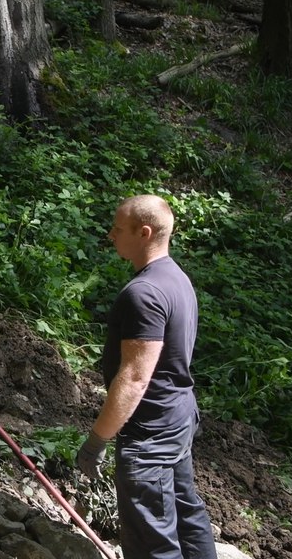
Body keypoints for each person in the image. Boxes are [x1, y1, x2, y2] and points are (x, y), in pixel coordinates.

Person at [77, 195, 217, 559]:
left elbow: (135, 378)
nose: (111, 235)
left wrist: (97, 440)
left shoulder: (143, 293)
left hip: (150, 434)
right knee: (187, 518)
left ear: (144, 233)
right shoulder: (176, 278)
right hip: (177, 418)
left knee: (151, 542)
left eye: (118, 229)